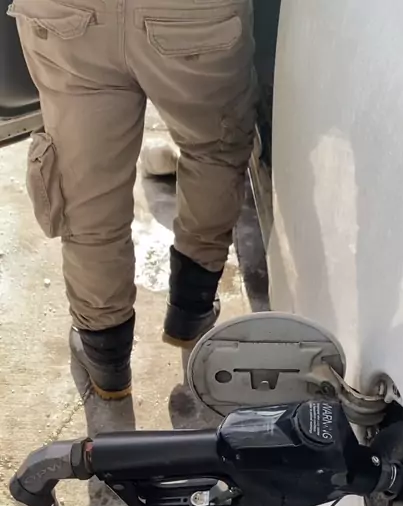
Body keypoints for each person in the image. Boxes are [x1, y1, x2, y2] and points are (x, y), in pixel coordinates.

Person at [8, 0, 256, 399]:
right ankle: (192, 307)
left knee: (87, 187)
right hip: (192, 14)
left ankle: (104, 351)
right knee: (214, 149)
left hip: (68, 12)